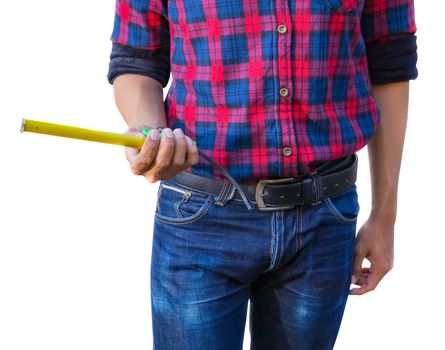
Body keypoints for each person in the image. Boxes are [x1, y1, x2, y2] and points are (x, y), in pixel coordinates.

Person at [107, 0, 418, 348]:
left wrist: (385, 215)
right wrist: (149, 129)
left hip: (322, 222)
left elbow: (390, 61)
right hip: (199, 217)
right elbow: (138, 59)